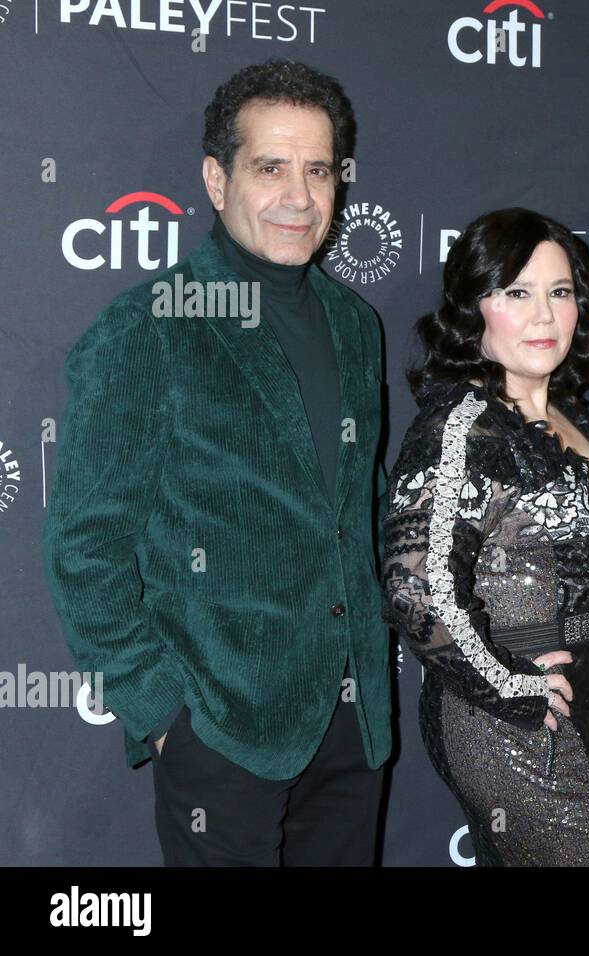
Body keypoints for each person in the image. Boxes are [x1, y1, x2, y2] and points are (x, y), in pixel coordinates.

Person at [42, 60, 392, 865]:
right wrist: (163, 712)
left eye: (318, 170)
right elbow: (83, 546)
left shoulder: (354, 322)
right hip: (222, 731)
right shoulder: (150, 325)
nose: (299, 198)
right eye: (270, 168)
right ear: (215, 177)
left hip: (354, 724)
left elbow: (357, 505)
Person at [382, 207, 589, 866]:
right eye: (517, 293)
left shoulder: (574, 418)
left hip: (588, 707)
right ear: (474, 308)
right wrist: (511, 686)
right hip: (513, 725)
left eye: (559, 293)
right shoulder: (465, 425)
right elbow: (413, 586)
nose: (544, 314)